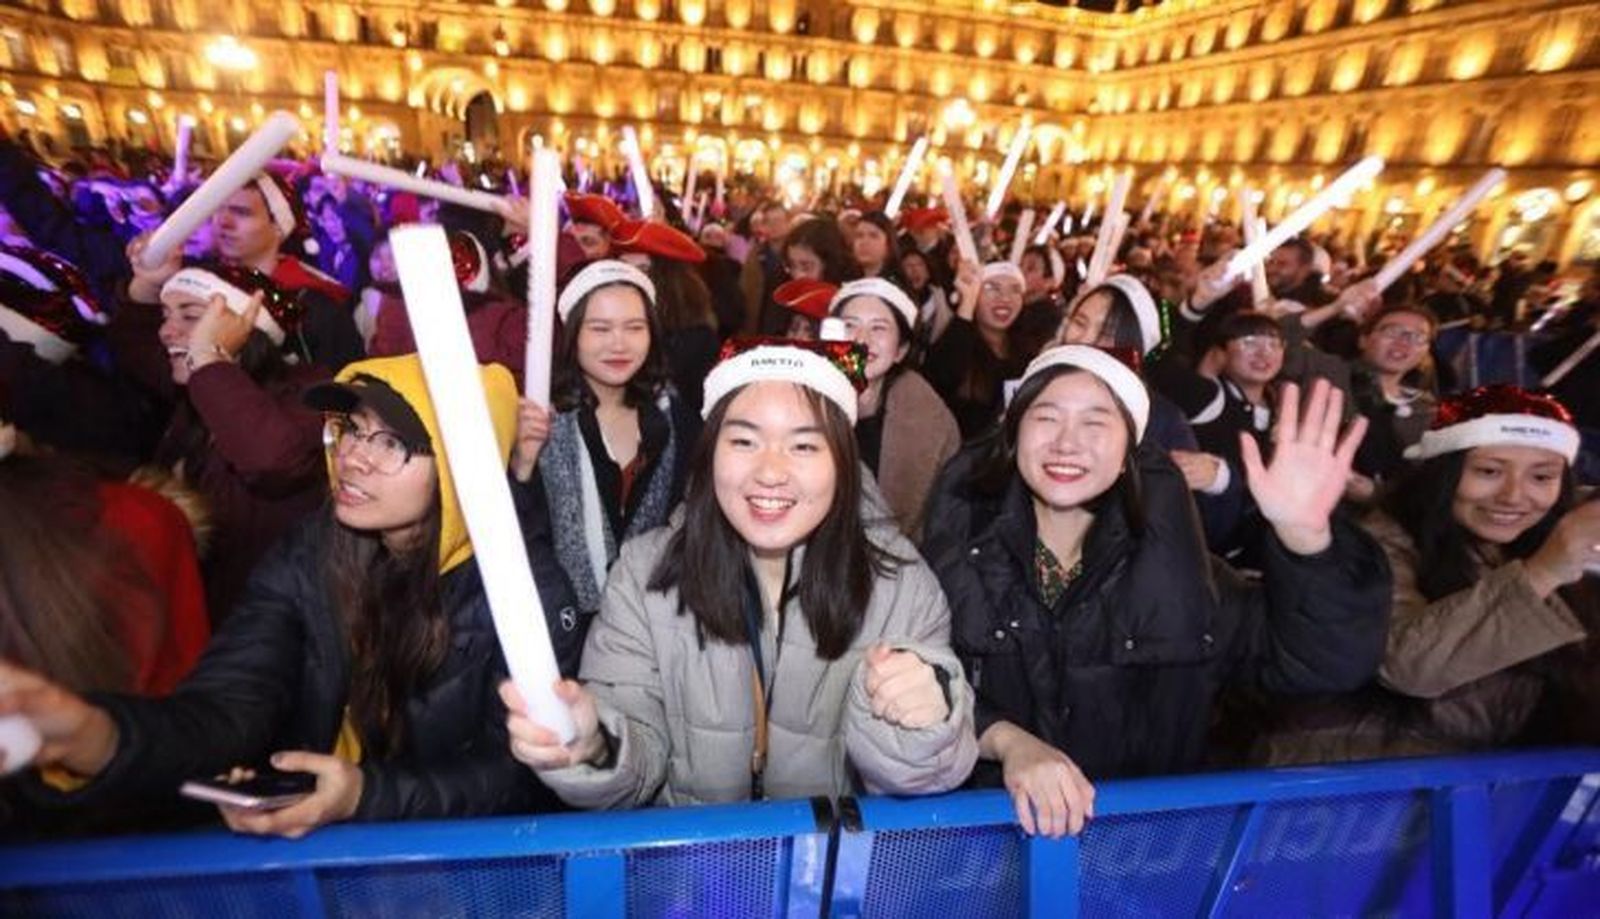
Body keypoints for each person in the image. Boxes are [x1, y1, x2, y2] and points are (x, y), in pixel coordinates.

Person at [0, 355, 582, 839]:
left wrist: (364, 795)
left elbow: (517, 777)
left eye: (392, 443)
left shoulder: (525, 591)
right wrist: (95, 737)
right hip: (321, 851)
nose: (354, 456)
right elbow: (231, 704)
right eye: (351, 428)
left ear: (462, 469)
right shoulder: (311, 552)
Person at [923, 345, 1390, 837]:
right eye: (1046, 418)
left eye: (1096, 422)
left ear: (1132, 452)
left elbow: (1327, 662)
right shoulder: (956, 559)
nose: (1067, 443)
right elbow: (919, 685)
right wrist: (1006, 740)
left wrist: (1306, 541)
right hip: (984, 847)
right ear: (1014, 435)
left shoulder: (1185, 580)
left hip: (1147, 852)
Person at [503, 340, 979, 807]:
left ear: (843, 463)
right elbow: (636, 752)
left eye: (805, 445)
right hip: (687, 870)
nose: (770, 471)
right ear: (711, 453)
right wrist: (594, 745)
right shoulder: (644, 575)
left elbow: (912, 780)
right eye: (744, 441)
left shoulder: (903, 587)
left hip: (833, 874)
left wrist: (925, 720)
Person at [1257, 386, 1600, 764]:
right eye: (1488, 471)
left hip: (1494, 786)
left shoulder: (1537, 544)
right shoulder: (1378, 541)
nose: (1514, 496)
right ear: (1443, 472)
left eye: (1542, 477)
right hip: (1363, 787)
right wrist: (1544, 572)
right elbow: (1408, 667)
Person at [516, 260, 698, 621]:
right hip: (556, 622)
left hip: (651, 622)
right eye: (600, 328)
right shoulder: (538, 417)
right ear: (573, 334)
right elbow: (512, 537)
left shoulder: (675, 418)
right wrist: (522, 464)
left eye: (635, 327)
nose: (619, 344)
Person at [826, 277, 961, 542]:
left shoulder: (929, 419)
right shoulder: (801, 400)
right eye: (850, 325)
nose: (862, 339)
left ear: (901, 350)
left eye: (879, 328)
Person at [925, 261, 1033, 440]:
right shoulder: (956, 342)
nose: (1005, 298)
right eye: (992, 287)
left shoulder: (1028, 351)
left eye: (1015, 289)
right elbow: (940, 379)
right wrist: (967, 302)